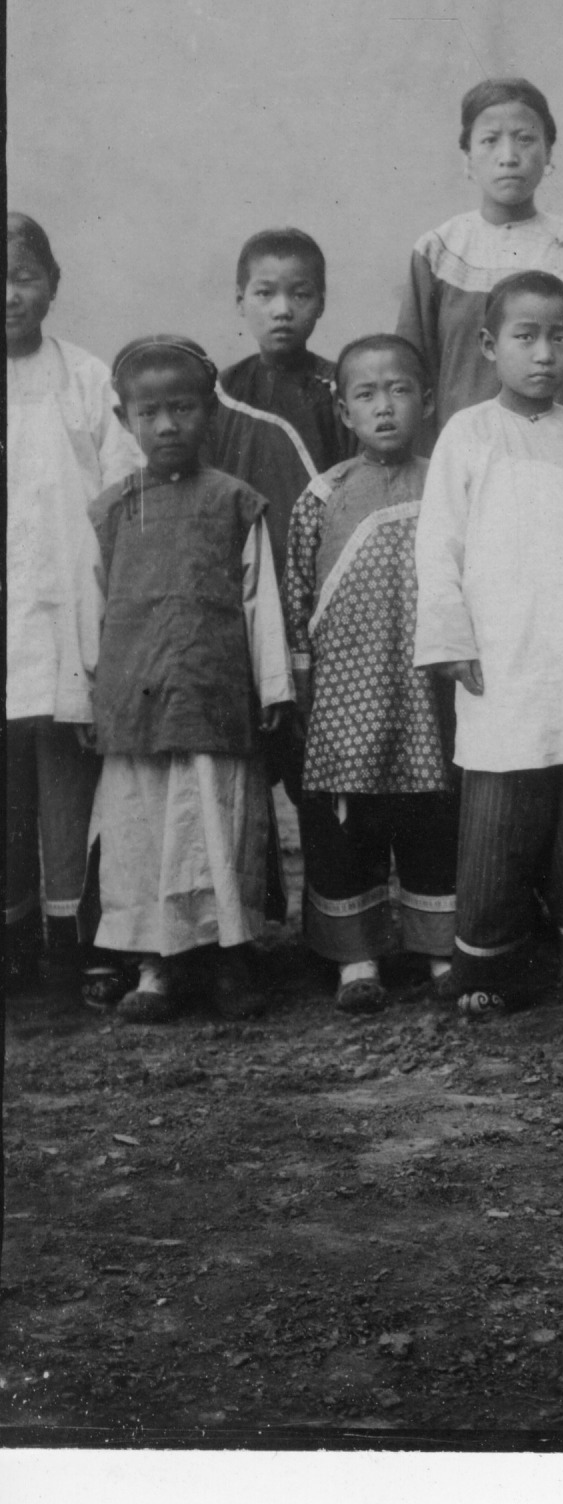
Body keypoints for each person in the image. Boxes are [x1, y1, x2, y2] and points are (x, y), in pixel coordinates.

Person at [413, 270, 563, 1022]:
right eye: (526, 336)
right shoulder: (467, 433)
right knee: (499, 811)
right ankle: (490, 964)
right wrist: (451, 637)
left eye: (561, 338)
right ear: (489, 345)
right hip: (500, 657)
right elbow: (439, 545)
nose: (545, 354)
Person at [79, 337, 293, 1023]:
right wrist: (85, 695)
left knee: (216, 826)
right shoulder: (112, 510)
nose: (167, 425)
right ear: (125, 419)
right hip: (134, 704)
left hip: (212, 695)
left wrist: (273, 686)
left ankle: (229, 957)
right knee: (142, 832)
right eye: (150, 413)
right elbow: (91, 606)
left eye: (183, 409)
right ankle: (156, 968)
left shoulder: (235, 503)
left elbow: (260, 603)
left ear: (210, 413)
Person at [282, 335, 457, 1013]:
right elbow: (298, 596)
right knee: (346, 821)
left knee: (433, 814)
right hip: (346, 695)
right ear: (343, 409)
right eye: (366, 393)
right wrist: (304, 687)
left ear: (427, 400)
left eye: (399, 390)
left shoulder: (448, 483)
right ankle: (356, 956)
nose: (384, 406)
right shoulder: (322, 495)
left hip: (429, 689)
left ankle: (439, 946)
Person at [6, 213, 140, 1004]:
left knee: (67, 779)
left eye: (23, 276)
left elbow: (122, 494)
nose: (8, 294)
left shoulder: (85, 378)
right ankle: (12, 937)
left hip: (65, 614)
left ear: (52, 285)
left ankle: (75, 940)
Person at [398, 78, 563, 494]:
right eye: (490, 141)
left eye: (525, 139)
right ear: (467, 157)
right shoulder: (440, 252)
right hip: (473, 462)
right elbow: (411, 373)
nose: (509, 157)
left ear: (549, 153)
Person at [208, 227, 353, 829]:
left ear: (321, 302)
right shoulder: (220, 393)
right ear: (240, 299)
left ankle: (330, 882)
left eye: (301, 294)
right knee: (245, 771)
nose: (283, 309)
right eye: (265, 293)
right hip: (245, 598)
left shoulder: (341, 387)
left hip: (317, 600)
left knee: (317, 768)